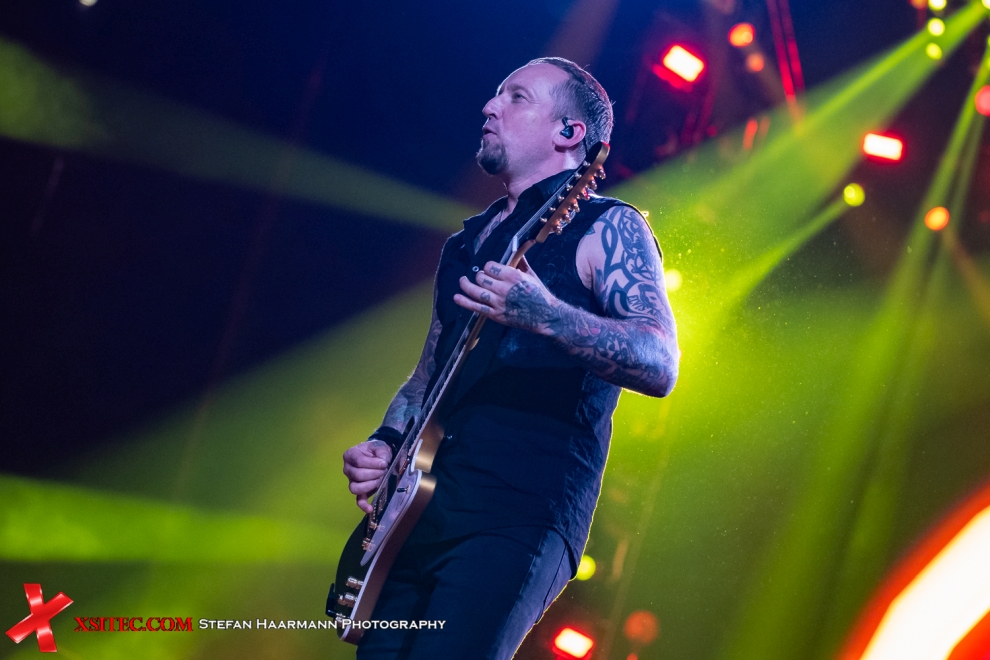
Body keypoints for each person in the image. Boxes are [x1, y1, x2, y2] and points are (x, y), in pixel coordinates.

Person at [341, 57, 679, 659]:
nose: (490, 107)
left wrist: (546, 314)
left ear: (569, 133)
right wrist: (386, 443)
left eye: (516, 96)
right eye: (497, 94)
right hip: (418, 514)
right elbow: (425, 380)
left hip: (517, 516)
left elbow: (660, 361)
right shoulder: (466, 243)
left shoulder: (607, 227)